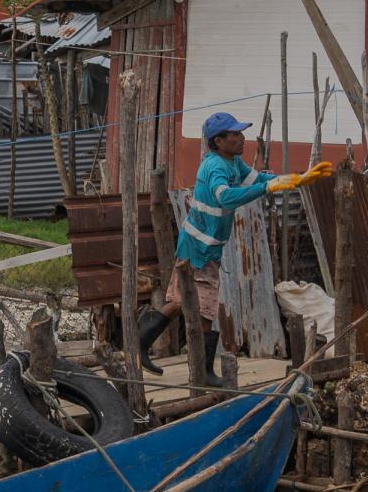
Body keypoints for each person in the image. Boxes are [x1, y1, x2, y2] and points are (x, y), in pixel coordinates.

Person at [137, 111, 328, 375]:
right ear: (218, 141)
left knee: (181, 300)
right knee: (205, 309)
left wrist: (291, 179)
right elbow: (226, 198)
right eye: (235, 134)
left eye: (240, 133)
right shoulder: (215, 166)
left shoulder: (232, 162)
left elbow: (256, 180)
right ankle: (203, 373)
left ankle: (140, 342)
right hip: (200, 250)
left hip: (197, 244)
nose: (242, 138)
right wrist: (268, 188)